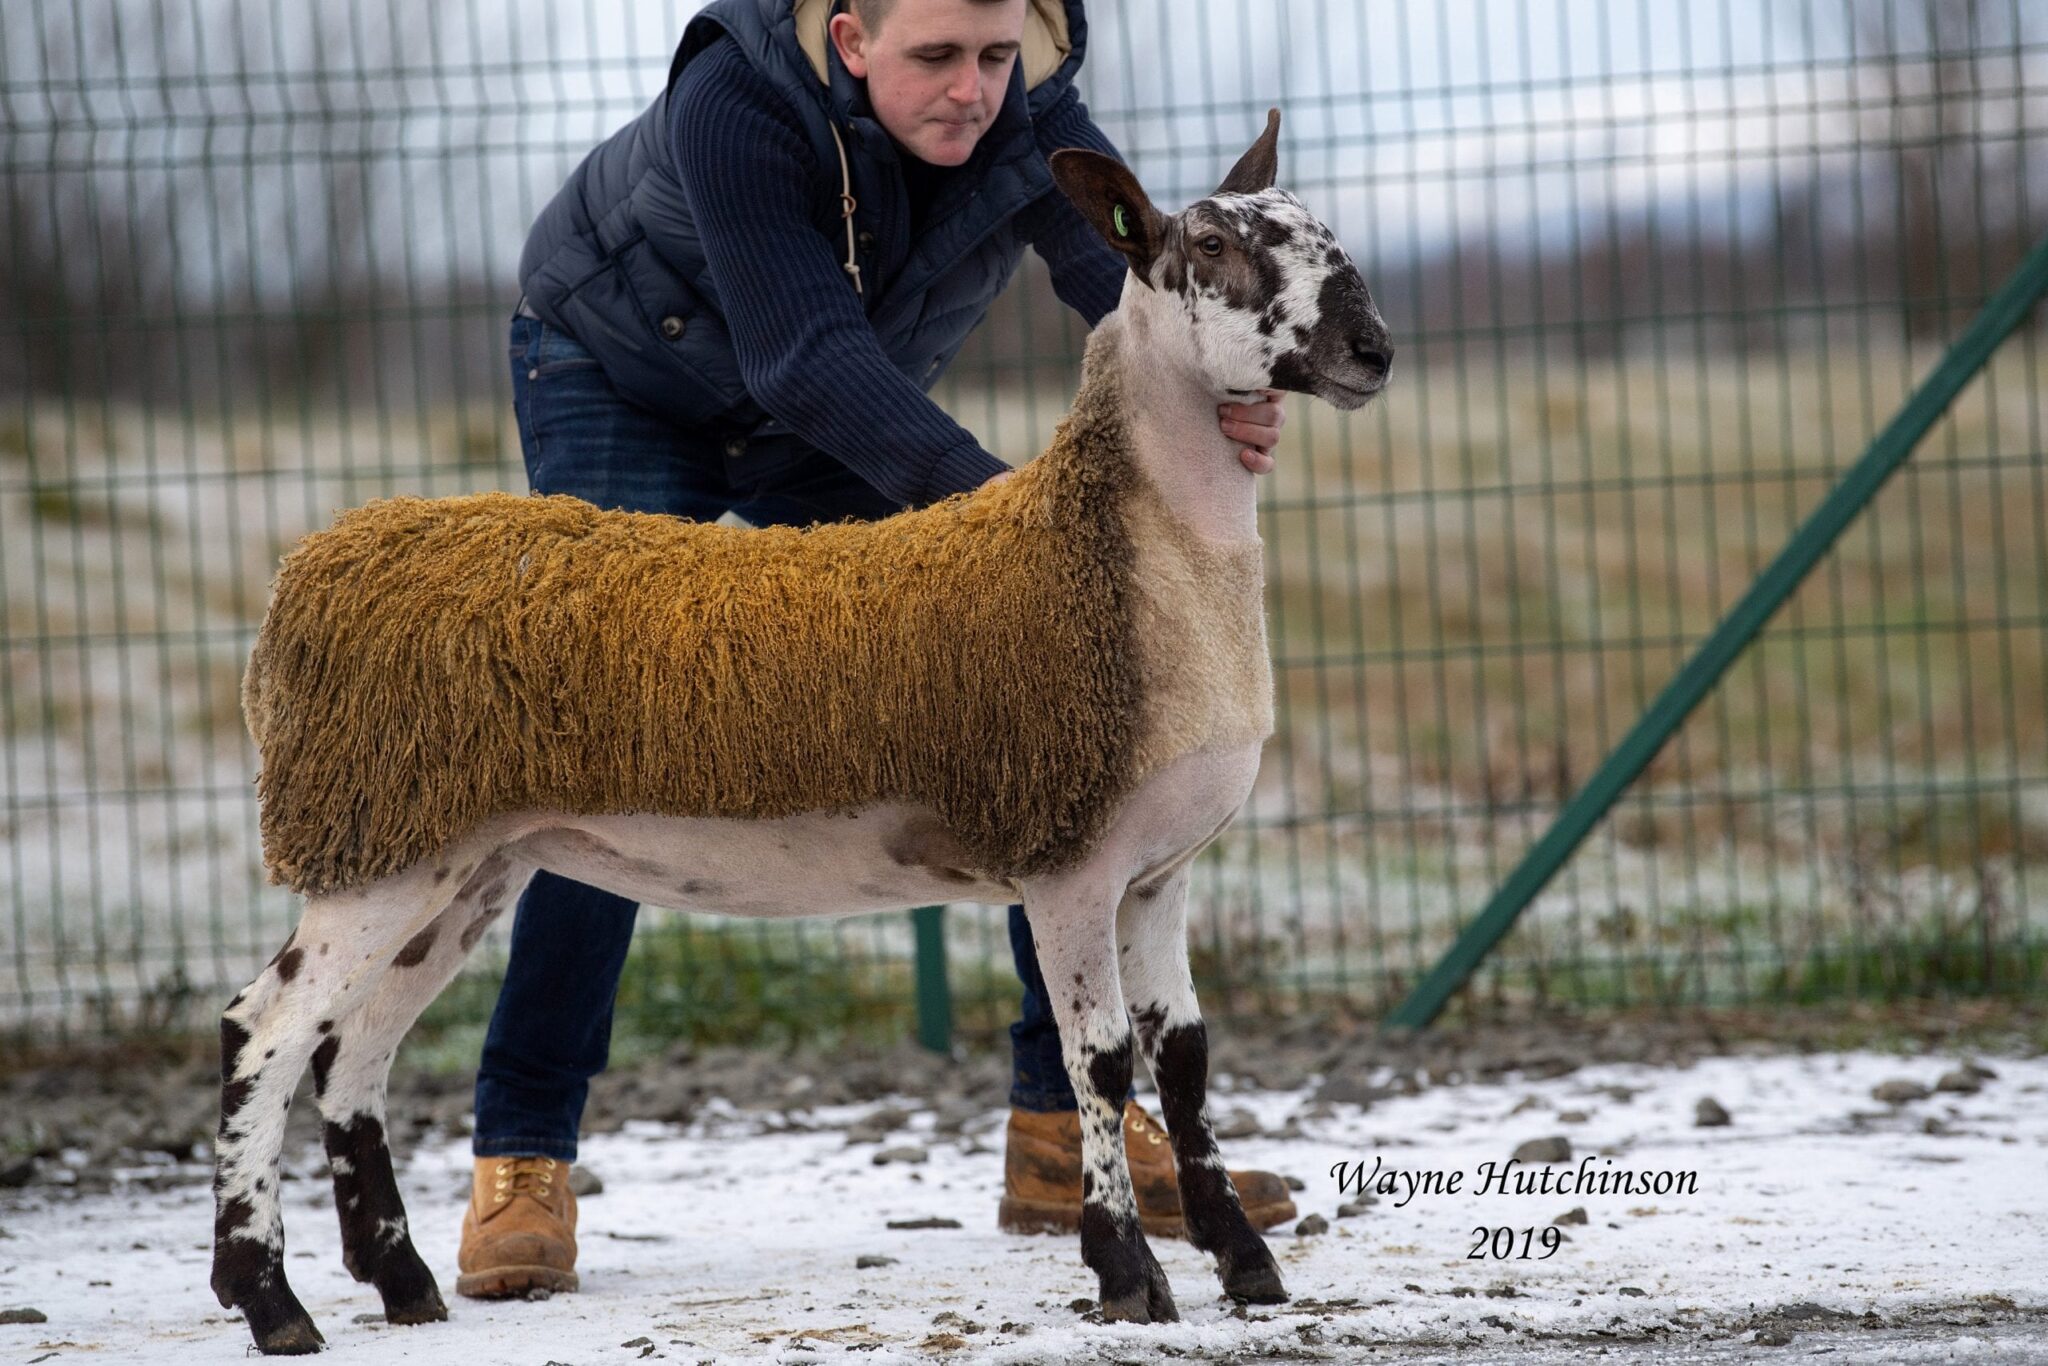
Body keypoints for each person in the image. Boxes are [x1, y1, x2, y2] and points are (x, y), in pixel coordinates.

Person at [457, 0, 1295, 1299]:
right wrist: (1000, 516)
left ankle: (1065, 1131)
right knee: (602, 738)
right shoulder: (734, 99)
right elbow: (799, 350)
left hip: (835, 410)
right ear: (851, 40)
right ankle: (522, 1151)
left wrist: (1225, 387)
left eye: (999, 56)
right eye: (937, 58)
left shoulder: (1029, 105)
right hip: (627, 374)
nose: (975, 91)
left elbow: (1132, 291)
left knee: (1038, 709)